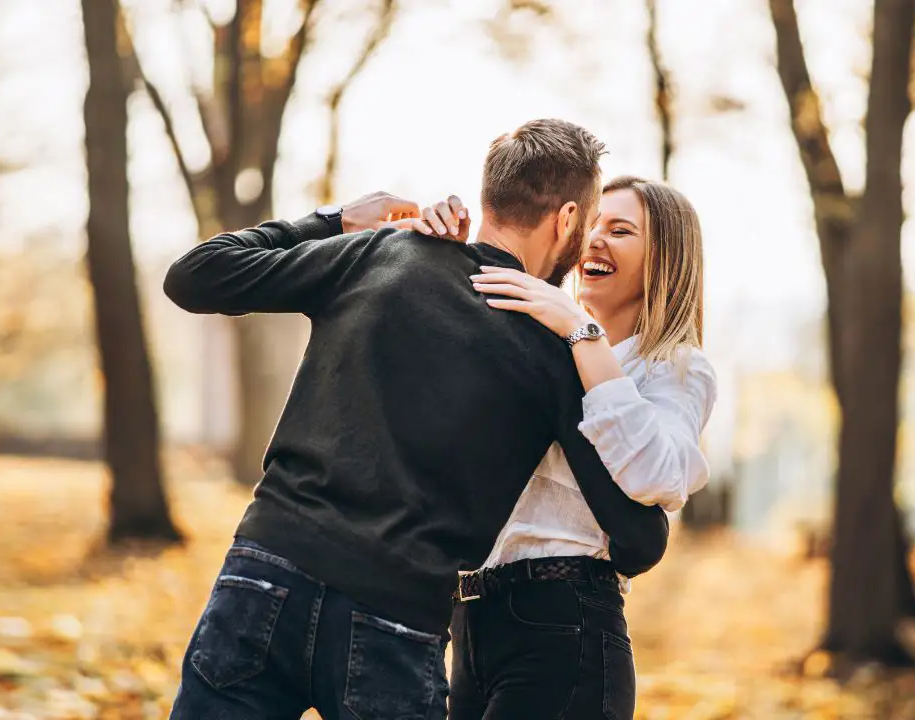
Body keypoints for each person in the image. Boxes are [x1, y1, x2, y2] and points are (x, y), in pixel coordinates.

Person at [161, 119, 670, 720]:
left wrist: (338, 219)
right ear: (565, 220)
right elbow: (638, 541)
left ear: (489, 198)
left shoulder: (381, 253)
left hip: (266, 572)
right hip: (393, 622)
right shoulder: (556, 350)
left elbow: (194, 276)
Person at [407, 176, 715, 719]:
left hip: (563, 620)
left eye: (620, 230)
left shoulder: (674, 367)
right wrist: (441, 253)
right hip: (470, 621)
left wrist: (582, 330)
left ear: (664, 260)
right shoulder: (533, 343)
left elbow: (658, 474)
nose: (595, 239)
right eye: (592, 223)